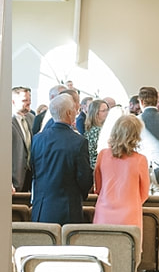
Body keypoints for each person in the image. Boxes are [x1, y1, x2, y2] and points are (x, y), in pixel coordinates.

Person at [93, 114, 150, 272]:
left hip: (104, 216)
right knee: (126, 265)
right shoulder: (140, 160)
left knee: (102, 264)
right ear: (135, 136)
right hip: (129, 218)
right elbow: (144, 193)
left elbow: (97, 188)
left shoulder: (103, 156)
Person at [28, 91, 92, 225]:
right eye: (75, 109)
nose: (76, 112)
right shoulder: (78, 142)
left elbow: (33, 169)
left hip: (41, 207)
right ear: (69, 113)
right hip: (68, 209)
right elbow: (84, 178)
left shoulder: (37, 139)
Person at [12, 86, 34, 192]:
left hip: (31, 176)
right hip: (15, 176)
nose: (29, 103)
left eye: (29, 100)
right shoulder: (6, 121)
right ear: (13, 101)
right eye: (25, 100)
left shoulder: (31, 118)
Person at [84, 97, 110, 169]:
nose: (107, 113)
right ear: (96, 113)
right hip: (98, 167)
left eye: (108, 110)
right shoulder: (95, 131)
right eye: (103, 111)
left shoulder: (103, 128)